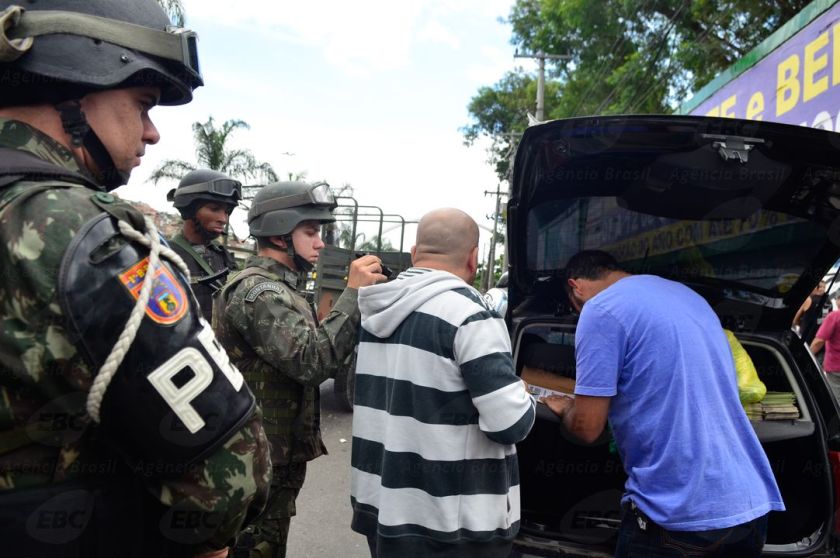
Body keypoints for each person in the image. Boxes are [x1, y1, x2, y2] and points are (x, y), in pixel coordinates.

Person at [0, 1, 271, 556]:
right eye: (143, 104)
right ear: (75, 82)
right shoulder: (78, 231)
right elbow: (228, 482)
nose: (151, 133)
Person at [542, 250, 784, 558]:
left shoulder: (601, 309)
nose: (579, 314)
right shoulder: (690, 298)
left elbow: (587, 428)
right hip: (750, 507)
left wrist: (568, 408)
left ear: (575, 286)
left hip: (680, 517)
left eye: (574, 308)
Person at [213, 180, 386, 558]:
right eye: (310, 232)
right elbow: (312, 362)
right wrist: (353, 294)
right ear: (279, 233)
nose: (320, 243)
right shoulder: (260, 293)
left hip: (273, 459)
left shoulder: (281, 289)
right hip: (256, 462)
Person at [350, 208, 536, 558]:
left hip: (382, 508)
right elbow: (510, 424)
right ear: (473, 258)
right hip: (452, 526)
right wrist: (525, 396)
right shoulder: (471, 315)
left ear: (414, 253)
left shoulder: (375, 309)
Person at [167, 169, 241, 323]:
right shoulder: (166, 256)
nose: (223, 219)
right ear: (189, 208)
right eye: (214, 209)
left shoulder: (223, 256)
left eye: (227, 212)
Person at [810, 309, 840, 400]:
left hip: (836, 366)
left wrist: (806, 354)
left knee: (837, 399)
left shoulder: (834, 316)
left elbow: (819, 341)